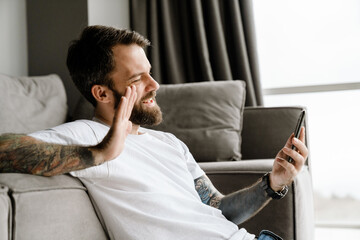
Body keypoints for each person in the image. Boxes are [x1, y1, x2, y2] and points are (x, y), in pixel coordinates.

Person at [0, 25, 308, 240]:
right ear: (102, 93)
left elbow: (218, 209)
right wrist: (100, 152)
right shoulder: (84, 134)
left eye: (150, 72)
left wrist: (272, 183)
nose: (154, 85)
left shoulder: (169, 143)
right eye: (138, 78)